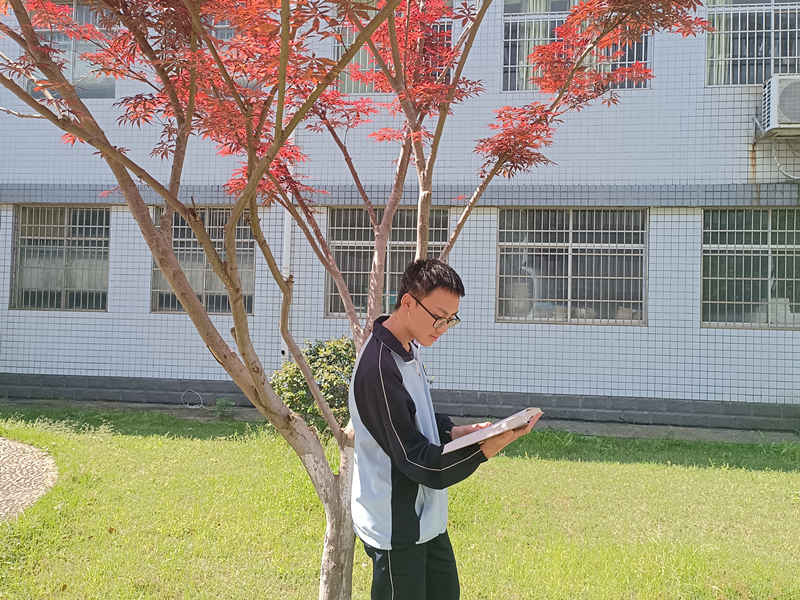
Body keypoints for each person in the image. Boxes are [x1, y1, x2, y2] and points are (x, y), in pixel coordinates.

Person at [348, 258, 537, 600]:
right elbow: (417, 462)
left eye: (451, 319)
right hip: (397, 528)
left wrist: (452, 432)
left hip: (427, 520)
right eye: (439, 317)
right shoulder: (378, 368)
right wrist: (482, 450)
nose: (444, 327)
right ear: (408, 302)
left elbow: (412, 414)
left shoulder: (408, 348)